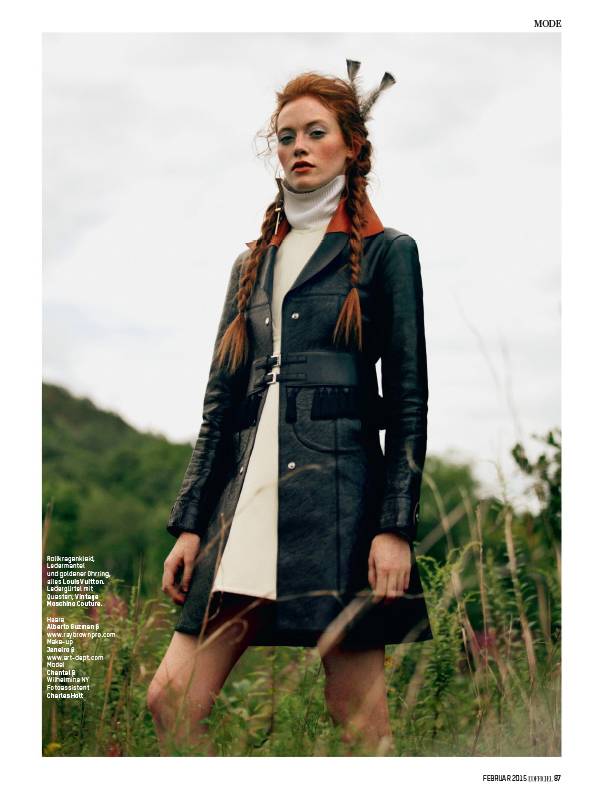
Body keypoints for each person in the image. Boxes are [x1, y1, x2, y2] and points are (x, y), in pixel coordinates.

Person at [147, 60, 432, 756]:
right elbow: (219, 405)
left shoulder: (390, 253)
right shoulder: (249, 265)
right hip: (241, 506)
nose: (298, 146)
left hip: (340, 506)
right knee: (170, 699)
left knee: (359, 724)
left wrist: (394, 526)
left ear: (352, 145)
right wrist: (190, 523)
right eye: (285, 136)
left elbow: (408, 399)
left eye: (315, 132)